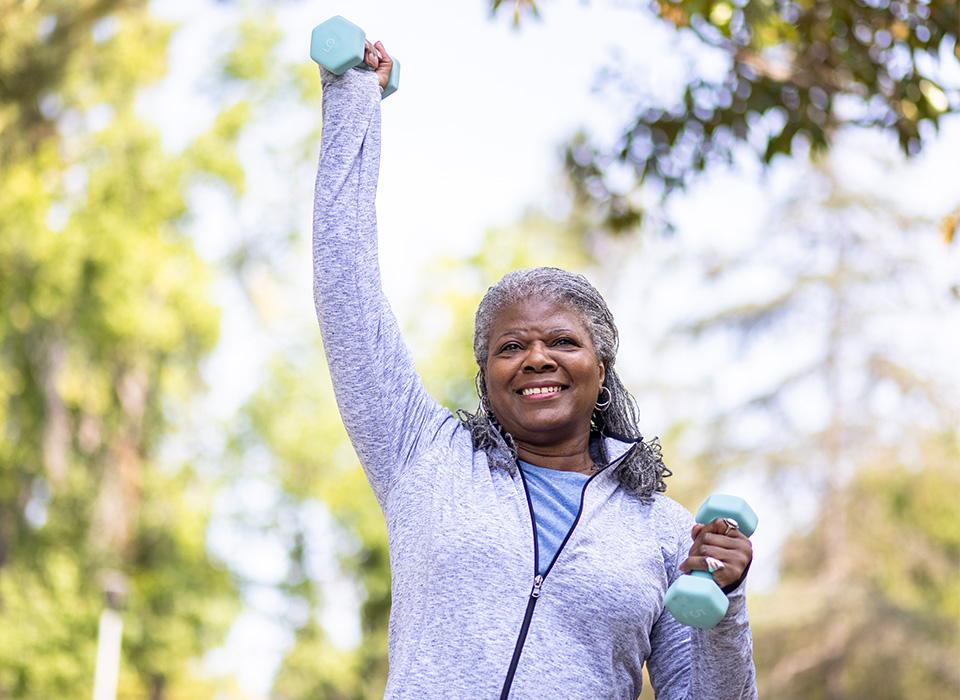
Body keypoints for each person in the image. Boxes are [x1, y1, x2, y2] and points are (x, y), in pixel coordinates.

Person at [313, 40, 757, 700]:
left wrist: (726, 606)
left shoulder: (663, 530)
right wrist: (353, 100)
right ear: (486, 377)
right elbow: (345, 285)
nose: (536, 358)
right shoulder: (423, 457)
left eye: (561, 342)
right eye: (510, 347)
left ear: (601, 370)